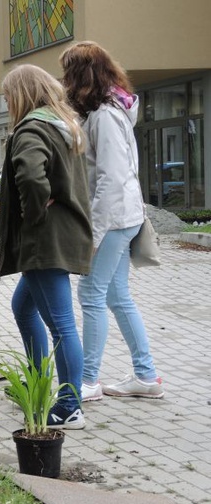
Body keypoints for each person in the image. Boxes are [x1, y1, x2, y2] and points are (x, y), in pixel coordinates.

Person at [60, 41, 164, 401]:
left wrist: (95, 233)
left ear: (80, 75)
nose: (64, 81)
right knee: (118, 296)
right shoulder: (114, 109)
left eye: (68, 73)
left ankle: (88, 381)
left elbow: (111, 178)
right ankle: (146, 376)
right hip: (125, 215)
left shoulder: (104, 115)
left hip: (115, 218)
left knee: (90, 293)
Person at [0, 64, 93, 429]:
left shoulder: (31, 129)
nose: (7, 104)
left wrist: (33, 214)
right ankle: (39, 385)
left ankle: (70, 405)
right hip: (60, 236)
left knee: (62, 326)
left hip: (44, 240)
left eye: (8, 97)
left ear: (22, 94)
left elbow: (32, 177)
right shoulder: (62, 124)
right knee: (22, 308)